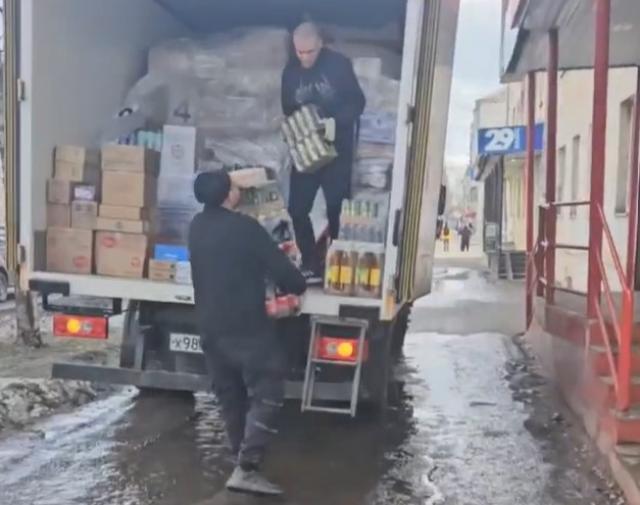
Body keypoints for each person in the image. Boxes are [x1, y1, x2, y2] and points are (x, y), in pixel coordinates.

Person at [189, 171, 307, 496]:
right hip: (245, 326)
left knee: (231, 397)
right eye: (234, 186)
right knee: (268, 390)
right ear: (229, 194)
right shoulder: (245, 228)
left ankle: (240, 462)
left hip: (210, 326)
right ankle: (247, 467)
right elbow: (281, 270)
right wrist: (298, 284)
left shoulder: (196, 226)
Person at [282, 21, 366, 276]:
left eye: (310, 52)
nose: (305, 57)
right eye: (300, 52)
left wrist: (335, 122)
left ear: (320, 44)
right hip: (307, 148)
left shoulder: (338, 65)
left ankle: (338, 262)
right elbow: (287, 107)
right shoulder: (291, 71)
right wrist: (297, 126)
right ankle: (310, 262)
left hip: (336, 149)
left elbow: (358, 102)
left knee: (336, 208)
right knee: (297, 209)